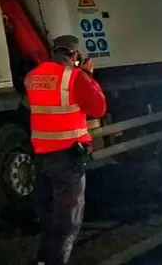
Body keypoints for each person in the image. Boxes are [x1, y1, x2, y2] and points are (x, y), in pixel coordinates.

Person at [26, 35, 107, 265]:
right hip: (68, 157)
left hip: (42, 155)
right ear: (74, 55)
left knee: (50, 214)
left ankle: (43, 259)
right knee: (68, 221)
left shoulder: (33, 76)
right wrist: (89, 76)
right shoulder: (75, 77)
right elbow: (98, 108)